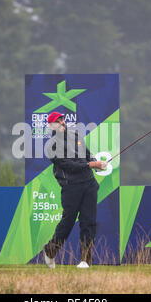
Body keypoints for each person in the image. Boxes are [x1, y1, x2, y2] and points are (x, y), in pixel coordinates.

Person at [43, 111, 107, 269]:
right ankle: (50, 250)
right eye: (57, 121)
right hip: (71, 187)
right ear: (51, 125)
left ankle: (86, 260)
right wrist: (92, 165)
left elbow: (87, 155)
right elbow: (69, 165)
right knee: (68, 222)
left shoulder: (75, 135)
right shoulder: (51, 146)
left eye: (62, 119)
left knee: (88, 222)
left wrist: (97, 164)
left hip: (89, 184)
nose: (62, 122)